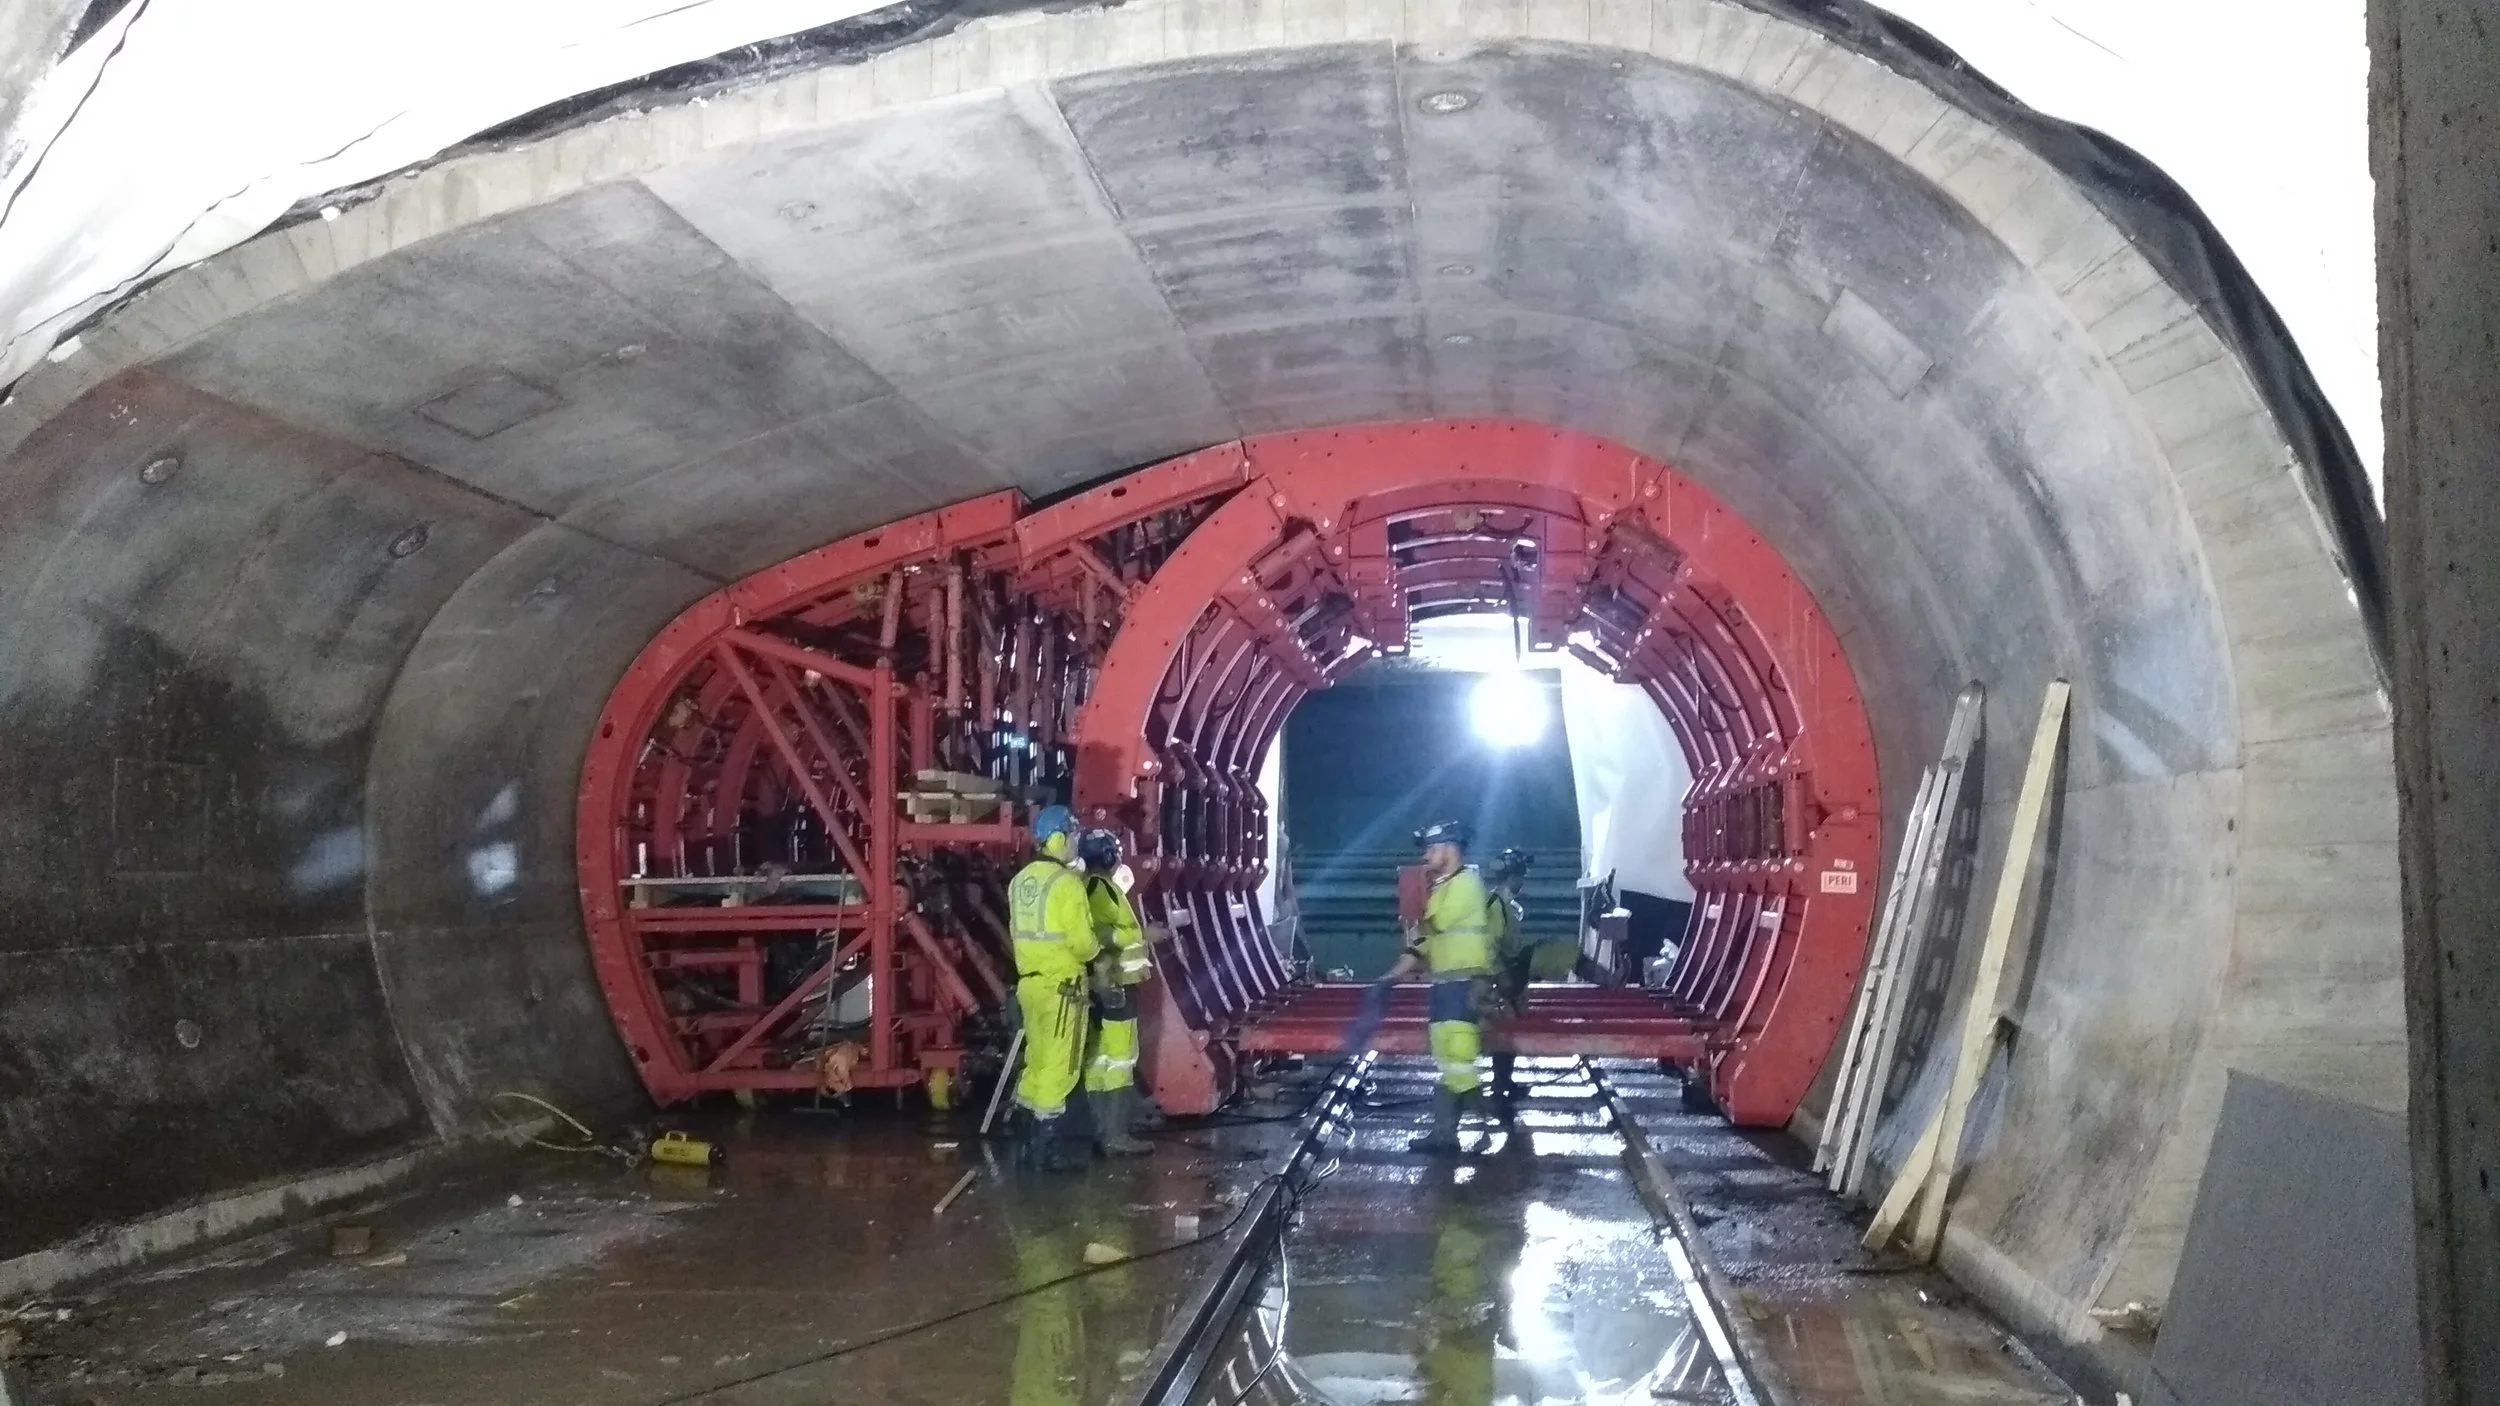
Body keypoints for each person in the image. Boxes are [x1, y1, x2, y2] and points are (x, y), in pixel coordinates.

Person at [1383, 820, 1495, 1153]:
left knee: (1459, 1061)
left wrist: (1413, 900)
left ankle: (1487, 1126)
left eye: (1433, 849)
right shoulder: (1445, 886)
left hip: (1464, 986)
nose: (1428, 857)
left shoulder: (1466, 884)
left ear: (1450, 849)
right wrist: (1391, 976)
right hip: (1447, 987)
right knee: (1449, 1063)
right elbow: (1423, 943)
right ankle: (1444, 1135)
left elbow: (1436, 924)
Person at [1009, 805, 1102, 1172]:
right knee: (1060, 1068)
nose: (1077, 843)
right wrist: (1101, 955)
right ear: (1059, 838)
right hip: (1063, 988)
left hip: (1030, 985)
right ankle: (1046, 1150)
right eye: (1074, 835)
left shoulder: (1021, 882)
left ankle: (1026, 1136)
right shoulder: (1067, 885)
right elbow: (1081, 943)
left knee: (1037, 1060)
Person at [1076, 828, 1152, 1157]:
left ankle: (1102, 1130)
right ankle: (1115, 1135)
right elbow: (1099, 934)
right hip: (1114, 986)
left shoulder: (1099, 887)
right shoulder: (1098, 889)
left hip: (1108, 985)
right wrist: (1147, 934)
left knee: (1100, 1060)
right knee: (1120, 1059)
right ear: (1108, 856)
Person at [1484, 848, 1533, 1110]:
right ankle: (1500, 1084)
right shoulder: (1496, 904)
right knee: (1504, 1033)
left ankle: (1504, 1082)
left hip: (1510, 972)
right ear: (1512, 876)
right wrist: (1502, 978)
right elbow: (1490, 946)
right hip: (1501, 975)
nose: (1523, 880)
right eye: (1520, 875)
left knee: (1508, 1034)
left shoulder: (1507, 904)